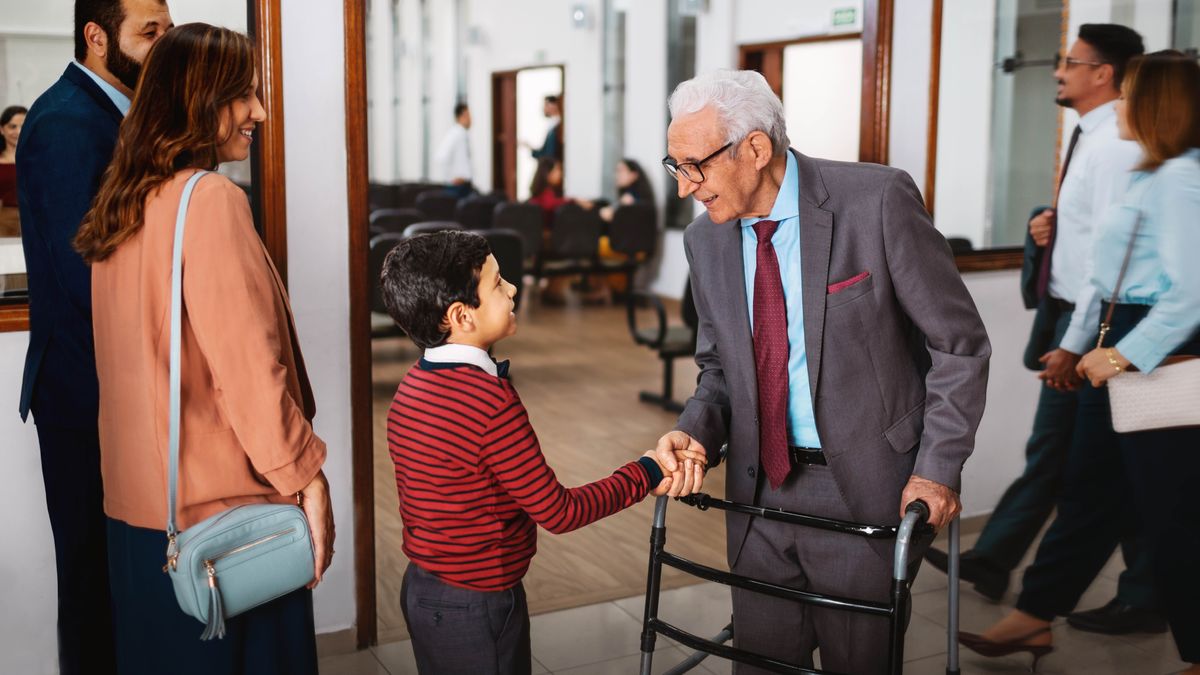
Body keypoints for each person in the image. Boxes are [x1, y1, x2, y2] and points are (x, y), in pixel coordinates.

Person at [652, 69, 991, 673]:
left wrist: (938, 471)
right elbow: (719, 370)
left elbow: (959, 346)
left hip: (863, 487)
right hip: (758, 494)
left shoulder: (876, 200)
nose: (685, 188)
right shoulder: (706, 240)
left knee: (859, 661)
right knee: (759, 661)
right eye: (675, 167)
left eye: (693, 166)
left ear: (754, 149)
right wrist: (695, 433)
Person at [72, 23, 333, 673]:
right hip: (225, 528)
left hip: (141, 526)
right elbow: (249, 371)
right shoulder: (210, 201)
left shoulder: (120, 207)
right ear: (198, 99)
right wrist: (306, 475)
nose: (260, 113)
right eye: (243, 95)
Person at [962, 50, 1200, 673]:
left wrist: (1121, 355)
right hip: (1122, 332)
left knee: (1174, 516)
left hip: (1154, 343)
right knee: (1090, 488)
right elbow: (1106, 270)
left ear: (1156, 105)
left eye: (1132, 94)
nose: (1121, 104)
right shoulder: (1155, 172)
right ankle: (1036, 615)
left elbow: (1192, 294)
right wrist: (1082, 342)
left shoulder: (1180, 177)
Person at [926, 23, 1163, 635]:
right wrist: (1046, 226)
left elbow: (1109, 265)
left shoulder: (1118, 143)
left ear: (1102, 73)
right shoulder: (1094, 136)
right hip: (1084, 320)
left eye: (1070, 61)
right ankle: (1001, 564)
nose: (1058, 71)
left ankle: (1125, 594)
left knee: (1104, 466)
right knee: (1074, 458)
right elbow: (1092, 237)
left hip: (1101, 326)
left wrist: (1076, 343)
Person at [379, 230, 674, 674]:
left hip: (423, 590)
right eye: (497, 284)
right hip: (477, 604)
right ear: (461, 316)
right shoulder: (488, 400)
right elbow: (559, 512)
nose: (513, 288)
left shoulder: (412, 385)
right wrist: (647, 471)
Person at [15, 1, 172, 672]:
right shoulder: (66, 123)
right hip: (87, 391)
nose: (165, 46)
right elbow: (90, 276)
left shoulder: (122, 113)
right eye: (150, 33)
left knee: (127, 579)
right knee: (93, 581)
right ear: (97, 37)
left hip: (117, 387)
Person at [434, 102, 475, 199]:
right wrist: (452, 177)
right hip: (457, 187)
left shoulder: (462, 134)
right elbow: (440, 157)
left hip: (464, 185)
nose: (471, 119)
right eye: (468, 115)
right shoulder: (455, 133)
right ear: (461, 116)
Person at [0, 105, 26, 237]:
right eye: (12, 126)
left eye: (23, 126)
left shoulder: (39, 160)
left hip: (33, 219)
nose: (19, 131)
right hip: (3, 223)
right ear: (2, 129)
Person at [531, 94, 562, 162]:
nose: (544, 108)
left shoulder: (559, 125)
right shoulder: (552, 124)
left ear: (555, 105)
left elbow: (550, 152)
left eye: (546, 104)